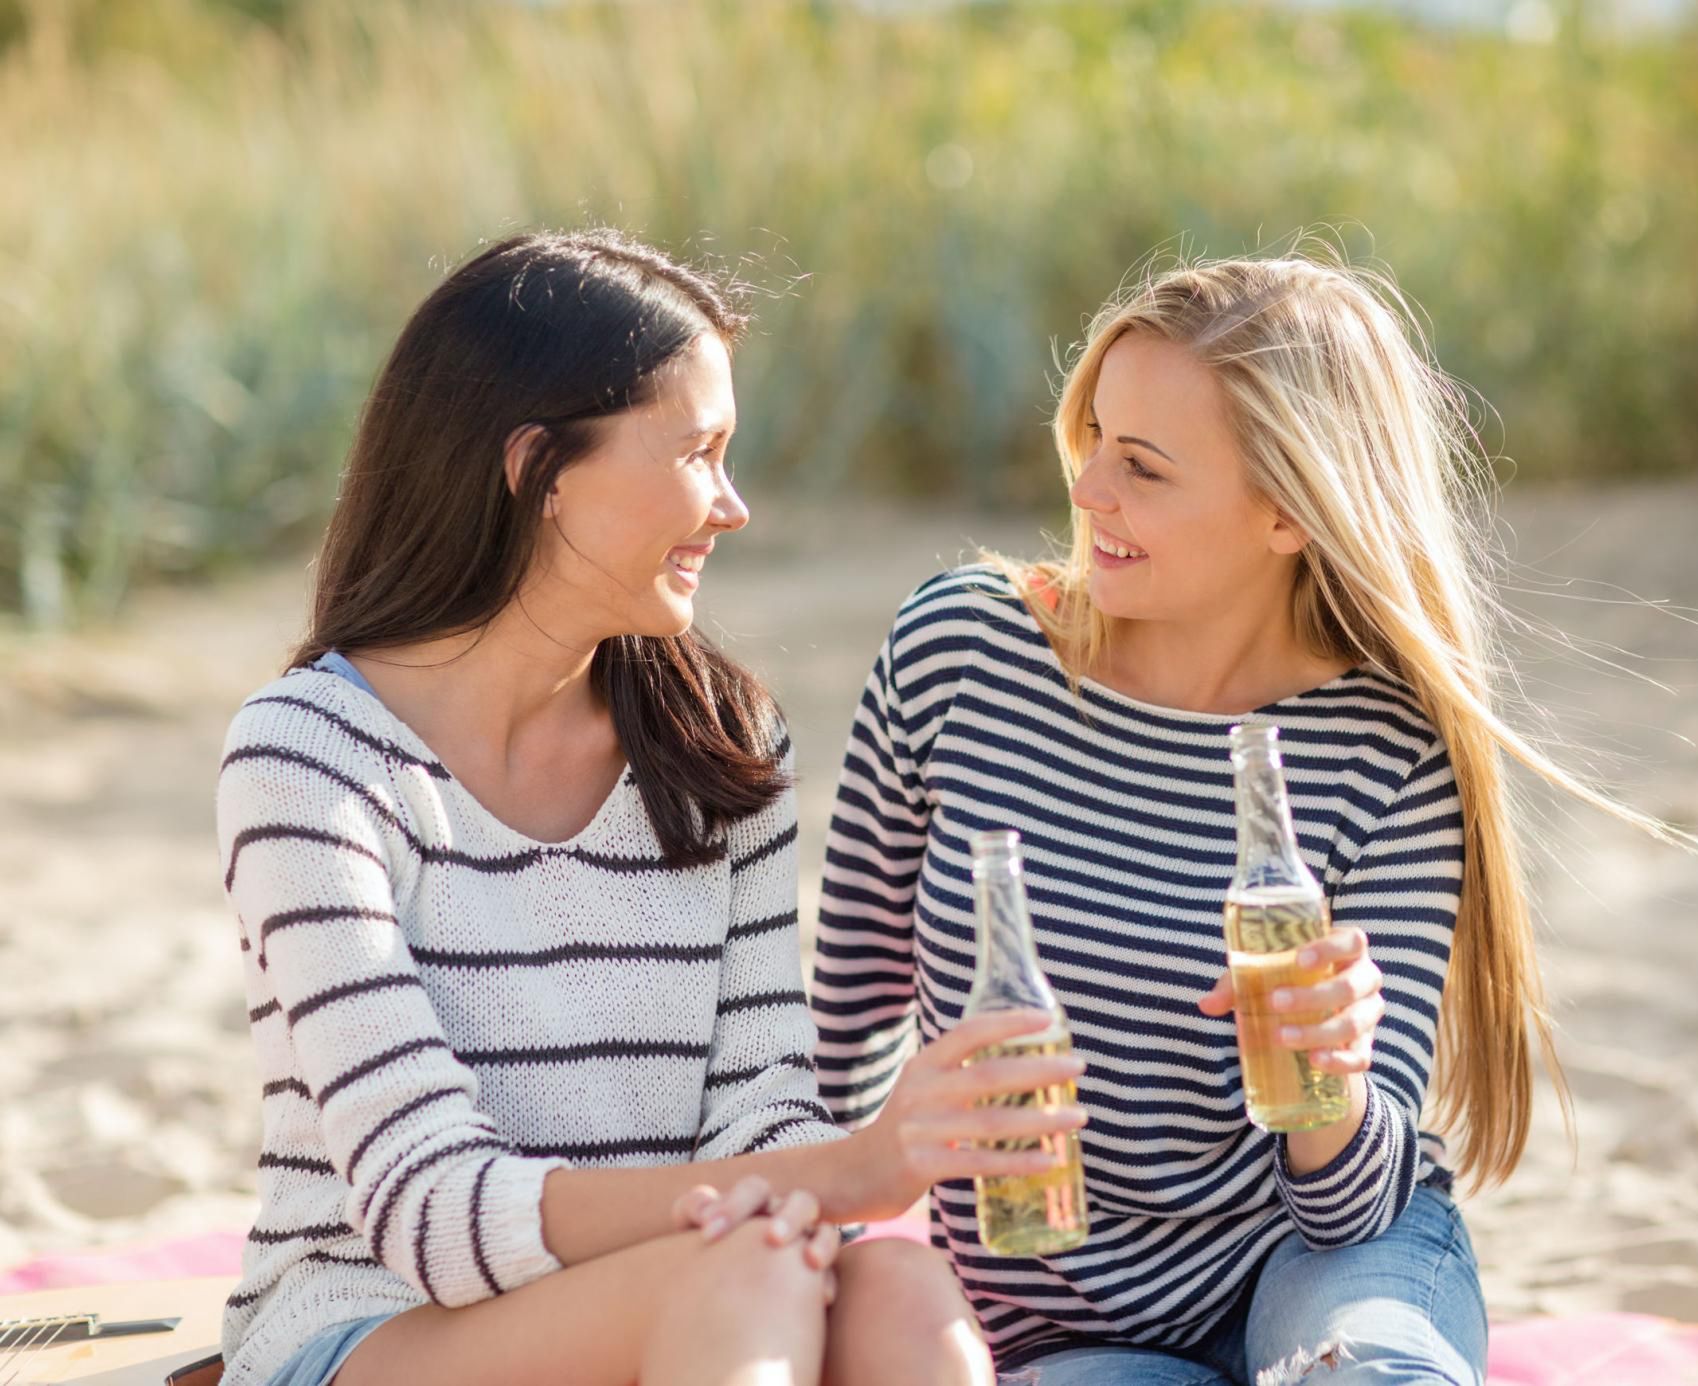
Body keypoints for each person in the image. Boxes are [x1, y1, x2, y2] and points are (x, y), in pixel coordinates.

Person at [214, 229, 1084, 1386]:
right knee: (748, 1275)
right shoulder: (310, 757)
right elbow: (433, 1213)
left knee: (899, 1290)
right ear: (538, 471)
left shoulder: (718, 744)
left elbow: (765, 1113)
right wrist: (845, 1176)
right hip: (372, 1328)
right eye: (698, 453)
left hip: (695, 1293)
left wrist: (806, 1191)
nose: (732, 506)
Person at [810, 251, 1691, 1384]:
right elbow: (837, 1039)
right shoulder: (961, 653)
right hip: (1074, 1319)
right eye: (1092, 441)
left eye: (1144, 468)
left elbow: (1352, 1204)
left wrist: (1332, 1070)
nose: (1087, 492)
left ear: (1288, 513)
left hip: (1328, 1258)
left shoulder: (1386, 748)